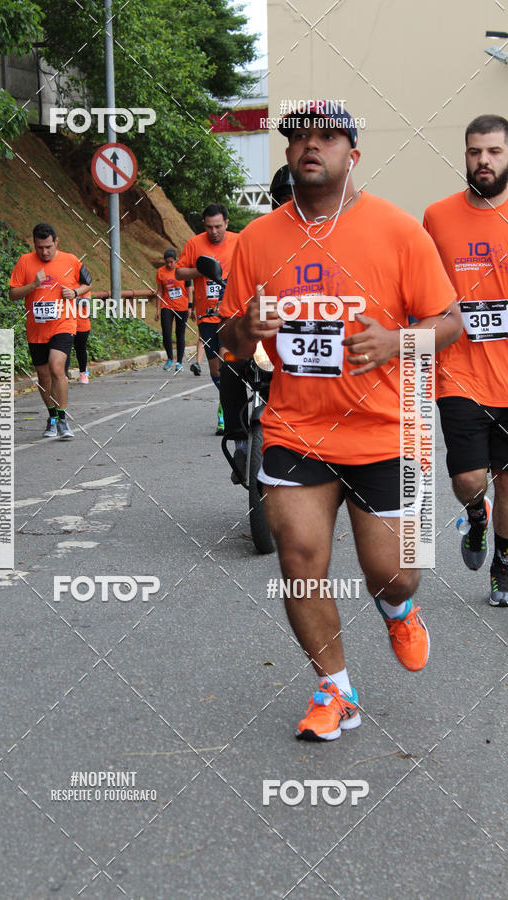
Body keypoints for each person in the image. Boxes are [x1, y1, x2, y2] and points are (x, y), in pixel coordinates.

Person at [219, 103, 462, 742]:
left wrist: (396, 342)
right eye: (299, 137)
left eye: (326, 137)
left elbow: (450, 322)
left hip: (386, 429)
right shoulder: (257, 239)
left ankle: (398, 607)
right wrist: (246, 328)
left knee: (394, 570)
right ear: (288, 154)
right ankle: (335, 690)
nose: (311, 145)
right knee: (300, 559)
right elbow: (228, 343)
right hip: (296, 429)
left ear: (352, 155)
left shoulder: (398, 230)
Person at [424, 114, 508, 607]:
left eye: (494, 151)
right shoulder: (437, 217)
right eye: (475, 151)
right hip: (458, 372)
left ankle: (503, 564)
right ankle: (476, 514)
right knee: (469, 479)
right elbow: (422, 288)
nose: (483, 161)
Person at [221, 165, 295, 482]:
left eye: (295, 196)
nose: (289, 203)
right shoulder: (257, 239)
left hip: (305, 339)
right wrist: (243, 325)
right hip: (264, 339)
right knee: (230, 361)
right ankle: (240, 442)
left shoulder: (326, 238)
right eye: (283, 197)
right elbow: (236, 300)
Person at [9, 223, 91, 440]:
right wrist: (33, 285)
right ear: (34, 244)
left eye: (48, 247)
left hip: (63, 324)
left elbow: (87, 283)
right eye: (39, 247)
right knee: (44, 376)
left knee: (56, 367)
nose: (44, 252)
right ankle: (52, 416)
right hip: (37, 329)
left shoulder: (71, 260)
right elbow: (13, 294)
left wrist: (75, 292)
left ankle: (63, 419)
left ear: (56, 242)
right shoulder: (25, 262)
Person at [176, 204, 238, 434]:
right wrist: (200, 271)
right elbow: (179, 272)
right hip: (207, 316)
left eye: (218, 226)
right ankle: (226, 400)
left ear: (226, 224)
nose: (214, 231)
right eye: (209, 227)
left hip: (232, 315)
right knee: (215, 370)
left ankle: (228, 409)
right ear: (204, 225)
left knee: (228, 363)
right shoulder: (194, 244)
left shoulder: (239, 241)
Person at [155, 249, 190, 372]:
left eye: (171, 262)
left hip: (182, 306)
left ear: (176, 260)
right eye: (167, 262)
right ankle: (170, 358)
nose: (169, 264)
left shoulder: (182, 271)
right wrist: (158, 309)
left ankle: (179, 362)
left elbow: (189, 289)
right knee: (166, 332)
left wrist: (190, 306)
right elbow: (160, 290)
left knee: (180, 334)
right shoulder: (161, 271)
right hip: (167, 306)